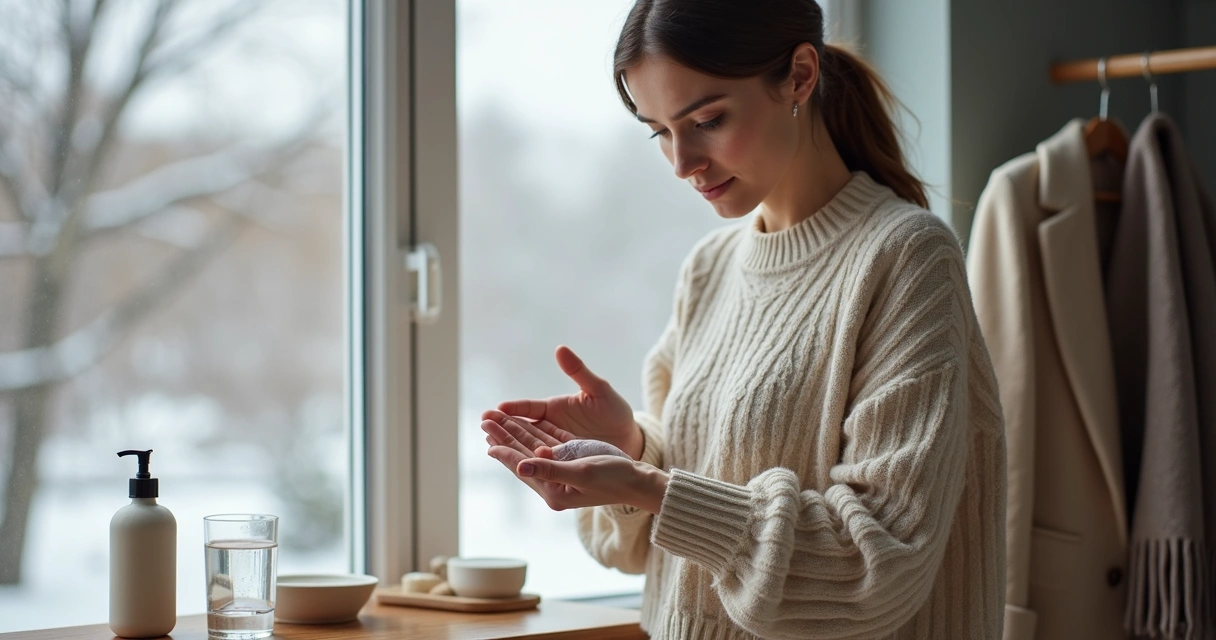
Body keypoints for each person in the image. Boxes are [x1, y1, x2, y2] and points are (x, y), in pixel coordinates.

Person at [480, 1, 1006, 638]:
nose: (682, 162)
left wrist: (653, 488)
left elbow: (877, 565)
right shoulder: (711, 267)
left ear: (800, 76)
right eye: (658, 131)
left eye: (707, 119)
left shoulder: (906, 258)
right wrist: (631, 447)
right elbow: (667, 537)